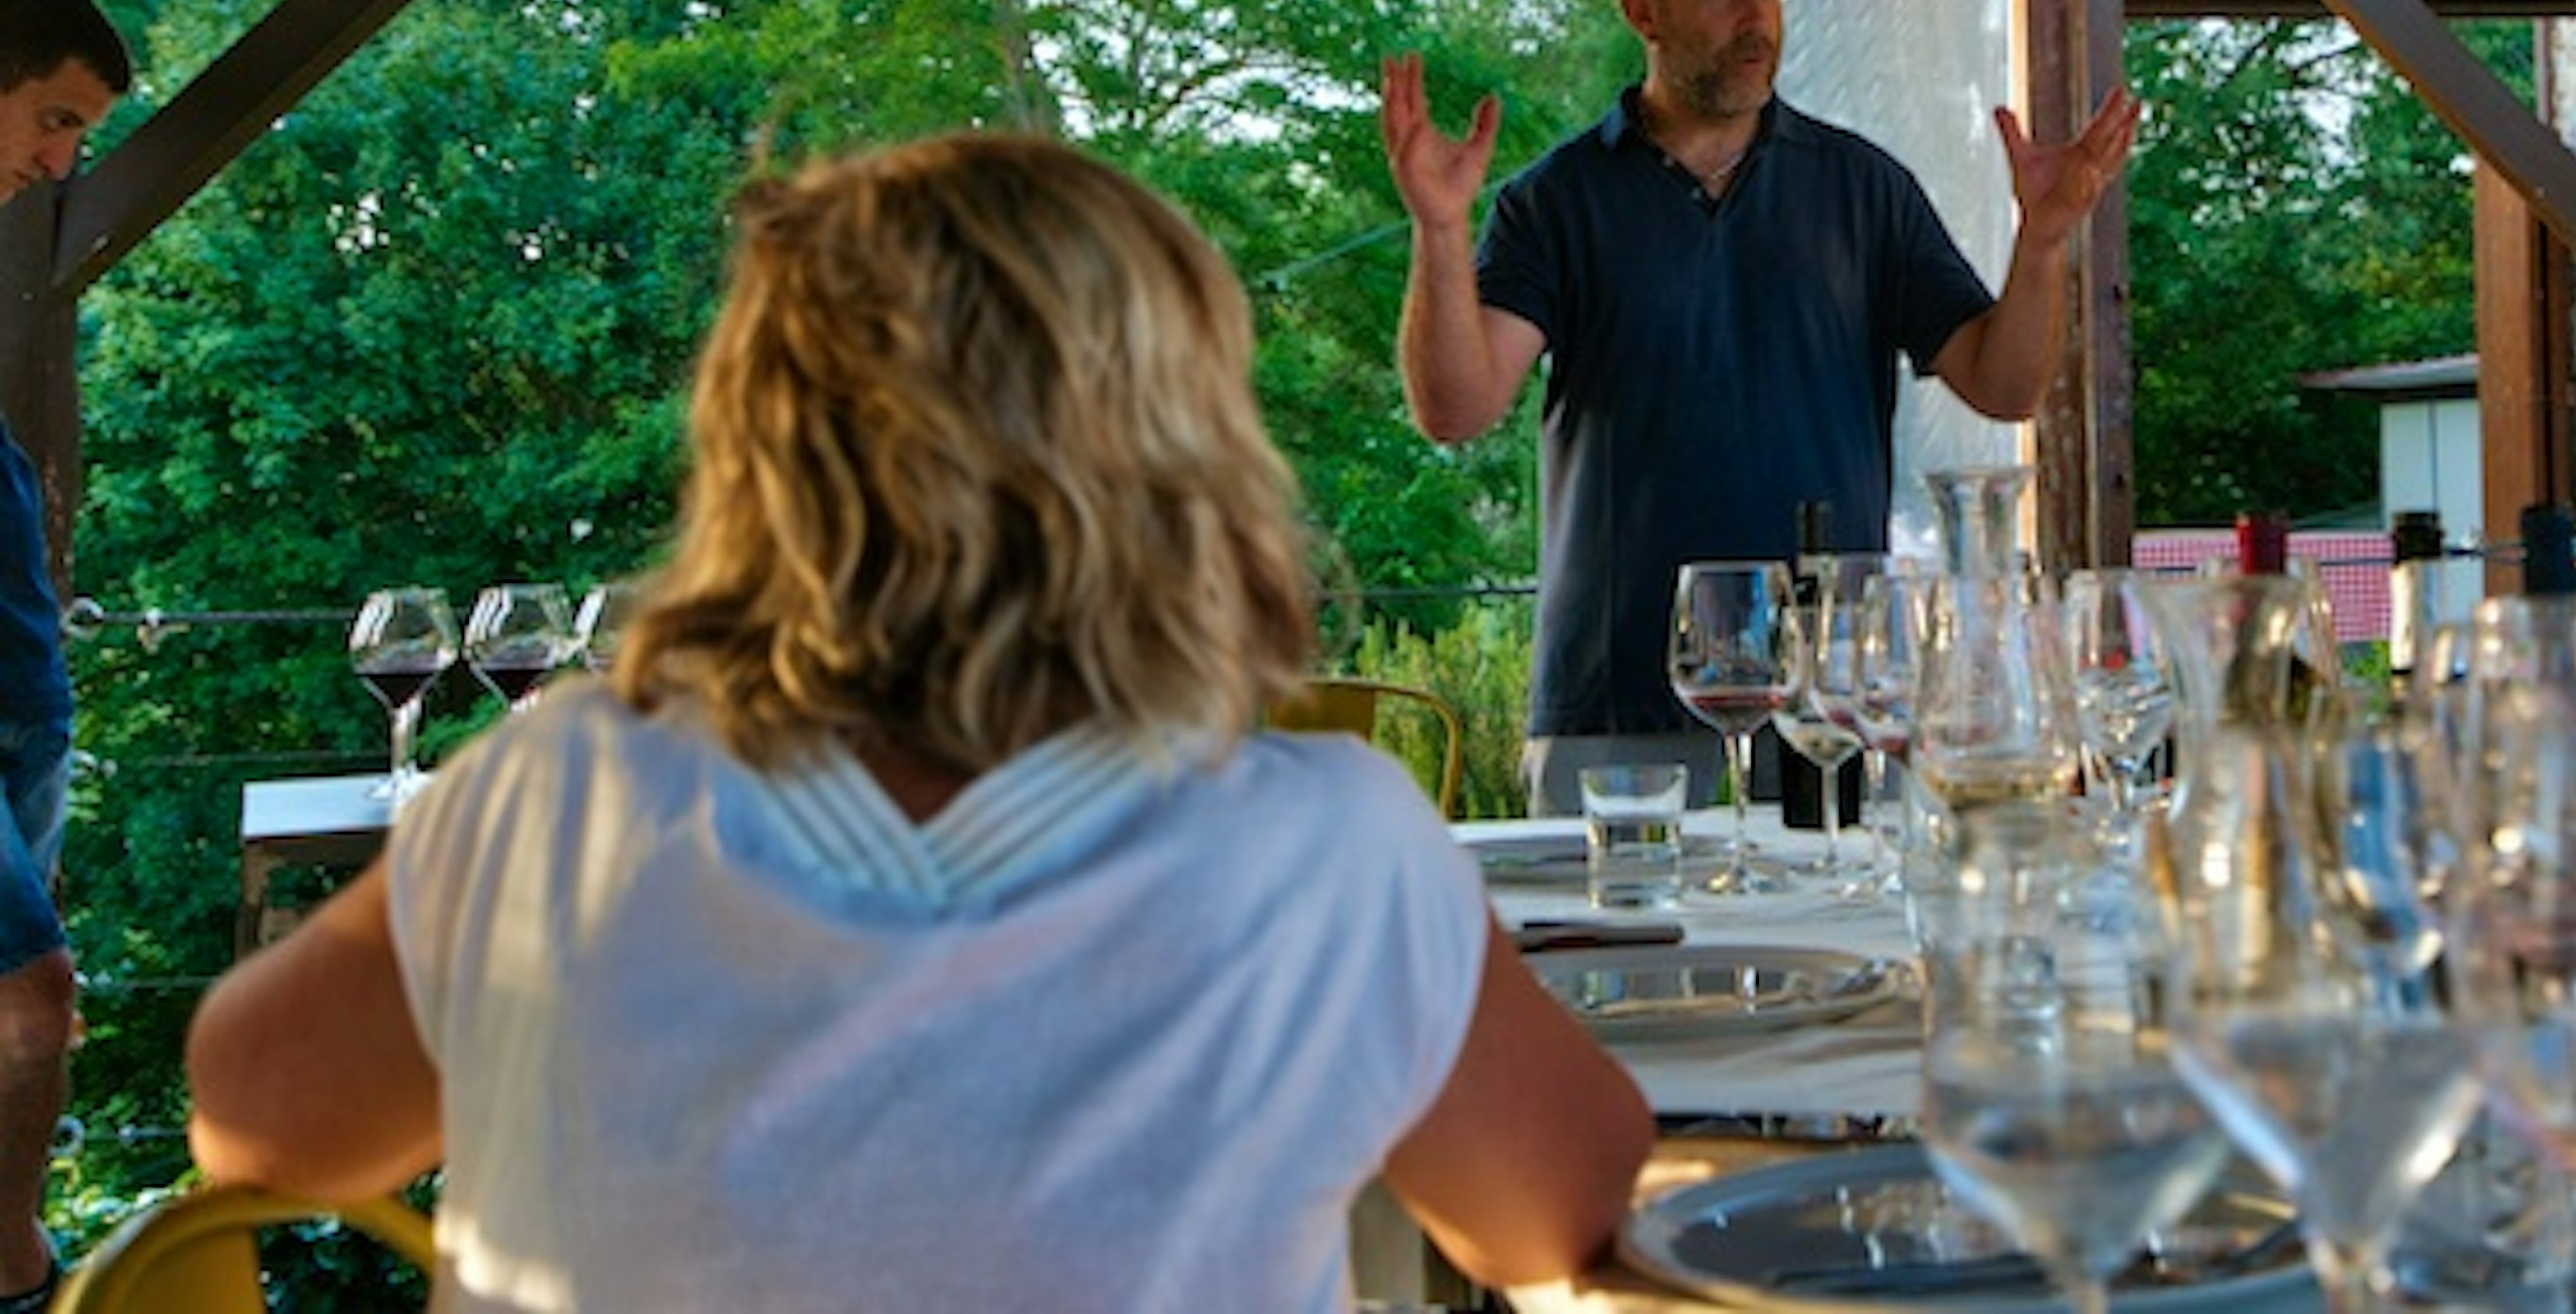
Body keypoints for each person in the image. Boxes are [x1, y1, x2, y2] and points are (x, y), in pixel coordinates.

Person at [184, 132, 1651, 1309]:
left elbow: (259, 1119)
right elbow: (1561, 1213)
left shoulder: (563, 793)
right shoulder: (1325, 845)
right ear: (1184, 455)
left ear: (763, 451)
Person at [1383, 0, 2138, 813]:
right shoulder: (1557, 200)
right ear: (1642, 9)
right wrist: (1438, 229)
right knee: (1628, 965)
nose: (1756, 15)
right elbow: (1454, 408)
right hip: (1619, 713)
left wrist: (2046, 238)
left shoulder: (1864, 188)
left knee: (1847, 960)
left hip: (1835, 710)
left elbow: (2005, 384)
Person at [0, 0, 129, 1314]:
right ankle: (21, 1285)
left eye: (80, 131)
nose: (58, 157)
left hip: (23, 714)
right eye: (51, 114)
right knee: (30, 1002)